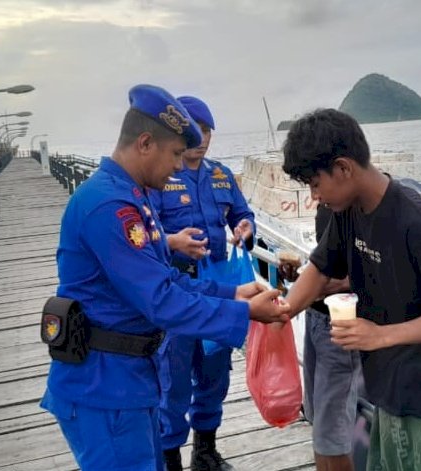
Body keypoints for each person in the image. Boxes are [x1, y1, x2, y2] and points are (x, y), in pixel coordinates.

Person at [39, 84, 291, 471]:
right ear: (144, 143)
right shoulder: (110, 206)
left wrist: (233, 292)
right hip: (105, 388)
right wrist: (244, 315)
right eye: (175, 153)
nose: (179, 166)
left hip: (129, 381)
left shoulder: (132, 196)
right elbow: (159, 299)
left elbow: (168, 281)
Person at [281, 109, 421, 471]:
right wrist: (284, 311)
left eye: (315, 184)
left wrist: (381, 336)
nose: (314, 196)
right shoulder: (349, 211)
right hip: (387, 392)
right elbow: (319, 266)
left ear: (344, 168)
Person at [150, 95, 254, 471]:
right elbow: (142, 233)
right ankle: (170, 457)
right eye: (196, 131)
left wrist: (245, 228)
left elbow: (243, 214)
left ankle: (205, 451)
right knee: (173, 380)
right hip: (177, 291)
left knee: (214, 373)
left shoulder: (222, 174)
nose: (203, 139)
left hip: (220, 290)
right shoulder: (160, 178)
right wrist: (171, 242)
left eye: (208, 131)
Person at [278, 203, 361, 471]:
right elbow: (326, 260)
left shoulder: (365, 203)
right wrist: (300, 274)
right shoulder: (328, 204)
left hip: (339, 326)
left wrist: (346, 282)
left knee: (332, 433)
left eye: (315, 183)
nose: (313, 193)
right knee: (317, 421)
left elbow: (387, 265)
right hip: (313, 316)